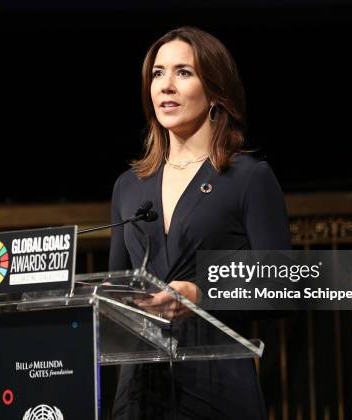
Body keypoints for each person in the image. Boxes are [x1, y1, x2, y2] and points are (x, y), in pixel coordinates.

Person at [108, 26, 291, 420]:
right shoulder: (128, 186)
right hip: (139, 393)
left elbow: (282, 285)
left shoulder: (248, 178)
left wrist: (201, 291)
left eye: (183, 73)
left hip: (216, 387)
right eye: (157, 74)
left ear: (215, 89)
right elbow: (115, 293)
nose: (166, 86)